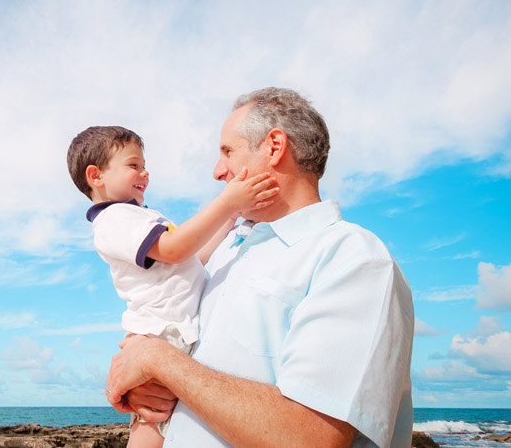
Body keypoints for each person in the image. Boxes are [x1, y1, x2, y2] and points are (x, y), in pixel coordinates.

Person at [105, 88, 414, 448]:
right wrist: (144, 388)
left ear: (274, 146)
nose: (218, 171)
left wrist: (160, 361)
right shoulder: (225, 253)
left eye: (228, 152)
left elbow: (310, 439)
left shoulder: (355, 258)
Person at [67, 126, 278, 448]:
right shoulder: (115, 219)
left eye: (143, 165)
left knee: (164, 418)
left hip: (171, 329)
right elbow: (176, 248)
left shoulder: (136, 216)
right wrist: (226, 202)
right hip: (161, 331)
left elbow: (189, 257)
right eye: (133, 165)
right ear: (96, 176)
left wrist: (231, 214)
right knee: (153, 419)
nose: (144, 172)